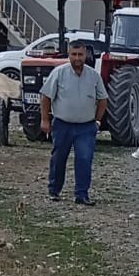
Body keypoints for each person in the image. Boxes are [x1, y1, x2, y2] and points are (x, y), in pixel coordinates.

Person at [40, 36, 107, 205]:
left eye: (80, 54)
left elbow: (103, 99)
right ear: (68, 55)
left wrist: (97, 121)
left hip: (86, 126)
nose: (77, 58)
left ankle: (82, 194)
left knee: (84, 158)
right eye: (74, 54)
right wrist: (45, 120)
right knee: (58, 158)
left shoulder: (94, 76)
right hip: (62, 124)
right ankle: (54, 190)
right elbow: (46, 96)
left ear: (86, 55)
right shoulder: (58, 73)